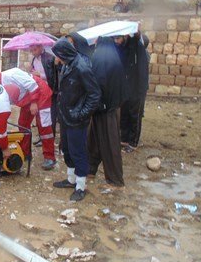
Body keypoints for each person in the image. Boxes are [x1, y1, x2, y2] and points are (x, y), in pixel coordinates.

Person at [51, 38, 101, 202]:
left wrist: (82, 114)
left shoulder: (82, 67)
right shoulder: (67, 65)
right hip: (66, 116)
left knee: (78, 151)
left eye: (57, 55)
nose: (56, 58)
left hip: (76, 118)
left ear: (64, 53)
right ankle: (71, 179)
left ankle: (80, 185)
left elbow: (95, 95)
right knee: (67, 148)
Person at [0, 67, 56, 170]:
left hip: (41, 94)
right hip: (26, 98)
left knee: (44, 127)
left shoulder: (13, 73)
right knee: (23, 124)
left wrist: (34, 103)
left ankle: (49, 157)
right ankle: (25, 153)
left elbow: (33, 85)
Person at [88, 37, 126, 188]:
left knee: (110, 143)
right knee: (94, 141)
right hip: (109, 105)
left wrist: (97, 104)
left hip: (105, 107)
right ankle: (90, 169)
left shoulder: (100, 56)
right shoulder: (112, 54)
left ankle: (115, 179)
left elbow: (98, 82)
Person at [120, 32, 150, 152]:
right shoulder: (130, 53)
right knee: (125, 112)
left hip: (138, 90)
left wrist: (137, 34)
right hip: (128, 88)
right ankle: (124, 138)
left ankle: (133, 142)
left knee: (135, 115)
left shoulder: (143, 54)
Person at [29, 43, 59, 138]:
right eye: (31, 50)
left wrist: (40, 75)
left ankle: (50, 136)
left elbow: (54, 77)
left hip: (49, 92)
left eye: (34, 49)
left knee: (49, 115)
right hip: (39, 90)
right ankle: (42, 137)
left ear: (41, 47)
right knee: (39, 114)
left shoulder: (50, 58)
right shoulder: (34, 59)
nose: (33, 52)